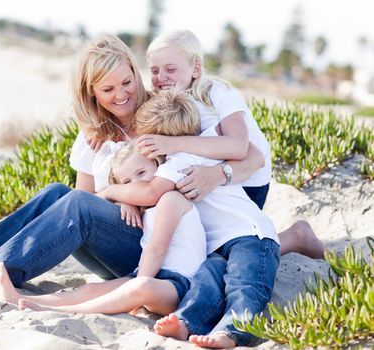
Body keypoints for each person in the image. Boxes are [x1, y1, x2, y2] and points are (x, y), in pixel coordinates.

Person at [0, 34, 319, 308]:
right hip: (128, 238)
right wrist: (113, 198)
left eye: (127, 81)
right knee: (60, 194)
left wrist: (212, 176)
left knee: (77, 204)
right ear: (91, 94)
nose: (122, 95)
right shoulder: (93, 136)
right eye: (108, 90)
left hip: (169, 233)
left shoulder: (165, 112)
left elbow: (240, 153)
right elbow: (76, 206)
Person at [99, 88, 280, 348]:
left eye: (146, 137)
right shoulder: (176, 160)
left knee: (245, 283)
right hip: (215, 246)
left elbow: (149, 193)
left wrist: (110, 191)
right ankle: (186, 323)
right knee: (206, 285)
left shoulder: (180, 160)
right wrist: (126, 197)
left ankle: (232, 332)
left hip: (249, 235)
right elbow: (144, 185)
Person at [138, 29, 324, 259]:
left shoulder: (216, 93)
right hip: (209, 177)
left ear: (196, 68)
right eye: (154, 70)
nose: (160, 77)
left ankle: (296, 237)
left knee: (219, 247)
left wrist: (173, 144)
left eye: (170, 69)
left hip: (246, 182)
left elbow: (238, 147)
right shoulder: (168, 100)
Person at [0, 141, 206, 317]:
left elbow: (157, 249)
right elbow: (93, 199)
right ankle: (21, 300)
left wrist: (136, 281)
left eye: (141, 173)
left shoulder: (171, 199)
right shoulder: (145, 208)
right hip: (148, 275)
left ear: (158, 166)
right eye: (127, 181)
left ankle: (54, 309)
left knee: (140, 288)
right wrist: (126, 199)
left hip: (180, 284)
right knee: (91, 290)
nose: (136, 183)